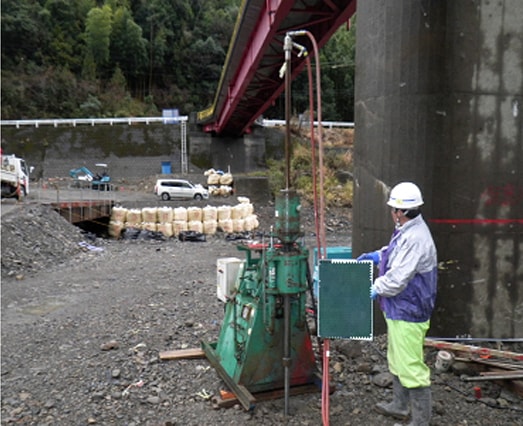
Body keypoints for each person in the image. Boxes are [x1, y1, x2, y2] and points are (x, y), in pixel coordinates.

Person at [357, 182, 437, 426]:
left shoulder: (416, 238)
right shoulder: (408, 229)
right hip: (399, 307)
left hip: (409, 308)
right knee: (397, 358)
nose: (392, 212)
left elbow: (399, 277)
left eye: (393, 208)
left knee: (411, 365)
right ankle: (400, 405)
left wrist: (376, 287)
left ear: (401, 211)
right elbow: (395, 253)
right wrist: (378, 255)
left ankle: (421, 420)